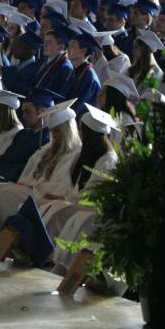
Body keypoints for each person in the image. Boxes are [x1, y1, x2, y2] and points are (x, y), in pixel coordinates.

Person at [0, 102, 80, 249]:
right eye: (53, 132)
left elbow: (61, 185)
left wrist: (34, 186)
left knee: (0, 192)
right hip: (33, 191)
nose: (55, 136)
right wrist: (26, 183)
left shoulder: (74, 154)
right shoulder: (46, 149)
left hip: (45, 197)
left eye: (58, 132)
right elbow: (29, 173)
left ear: (68, 131)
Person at [43, 104, 120, 273]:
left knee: (61, 211)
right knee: (53, 207)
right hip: (77, 203)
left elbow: (93, 194)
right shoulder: (86, 154)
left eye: (82, 130)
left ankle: (55, 259)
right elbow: (74, 185)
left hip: (93, 209)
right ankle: (44, 252)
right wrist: (66, 198)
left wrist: (67, 200)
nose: (81, 134)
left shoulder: (108, 160)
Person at [0, 90, 56, 182]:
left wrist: (1, 174)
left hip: (16, 182)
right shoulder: (23, 134)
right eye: (23, 112)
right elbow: (5, 157)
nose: (23, 116)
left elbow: (28, 167)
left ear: (42, 112)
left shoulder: (47, 140)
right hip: (0, 177)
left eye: (27, 112)